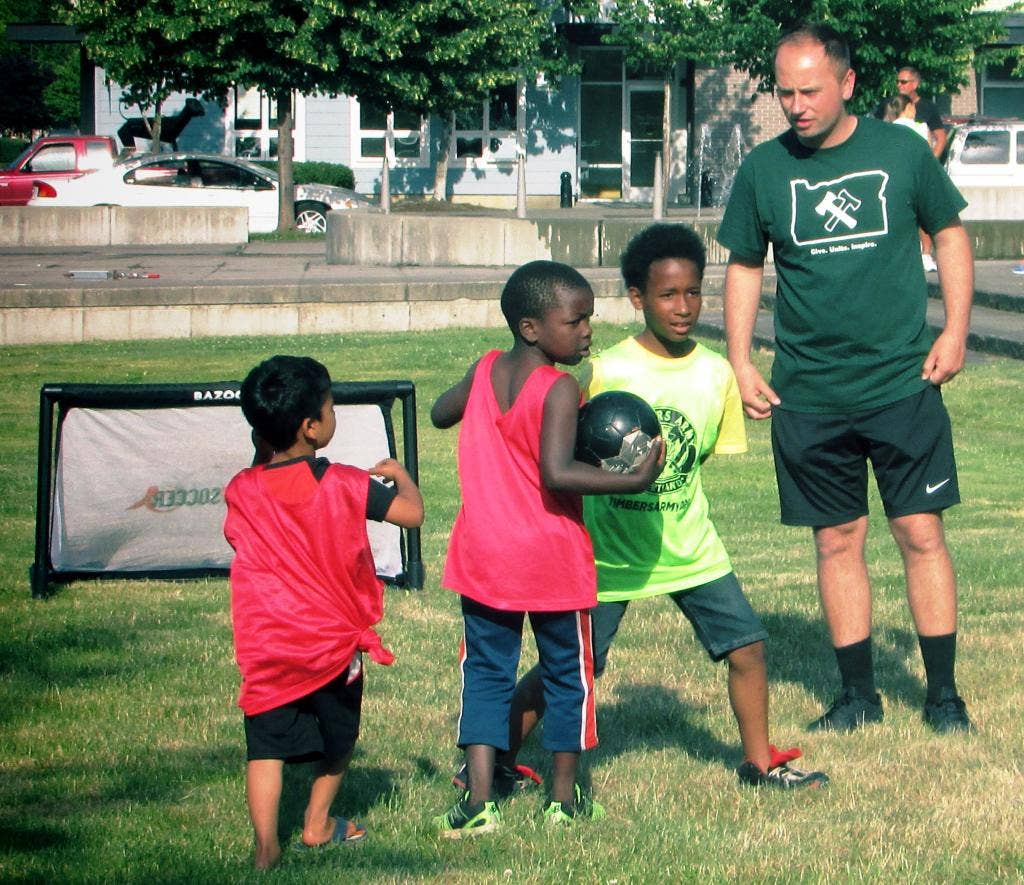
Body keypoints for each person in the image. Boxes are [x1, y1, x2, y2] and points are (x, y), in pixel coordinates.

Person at [487, 225, 829, 792]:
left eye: (693, 292)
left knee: (748, 647)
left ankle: (759, 764)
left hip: (689, 547)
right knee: (570, 667)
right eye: (667, 295)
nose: (683, 307)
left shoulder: (716, 373)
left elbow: (693, 462)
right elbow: (561, 452)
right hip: (609, 555)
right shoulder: (603, 372)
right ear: (637, 298)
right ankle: (491, 762)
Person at [718, 24, 974, 735]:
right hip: (810, 392)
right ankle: (858, 694)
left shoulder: (899, 152)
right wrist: (741, 359)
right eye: (785, 91)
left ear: (848, 83)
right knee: (836, 540)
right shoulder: (765, 170)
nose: (795, 105)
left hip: (901, 383)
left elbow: (950, 233)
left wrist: (954, 329)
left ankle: (944, 695)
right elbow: (744, 264)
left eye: (809, 90)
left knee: (920, 532)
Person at [430, 260, 664, 837]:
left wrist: (477, 403)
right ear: (532, 328)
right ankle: (564, 800)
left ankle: (478, 802)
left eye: (589, 318)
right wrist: (632, 480)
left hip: (483, 556)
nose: (587, 330)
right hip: (549, 560)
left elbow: (440, 413)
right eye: (575, 320)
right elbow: (557, 473)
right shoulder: (560, 387)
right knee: (568, 676)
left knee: (485, 674)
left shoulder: (485, 367)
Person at [224, 355, 424, 869]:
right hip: (333, 647)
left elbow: (242, 526)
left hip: (267, 645)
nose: (333, 415)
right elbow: (413, 515)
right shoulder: (343, 484)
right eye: (330, 408)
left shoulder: (243, 490)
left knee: (264, 747)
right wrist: (401, 477)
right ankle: (315, 824)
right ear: (312, 428)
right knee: (338, 741)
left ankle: (266, 846)